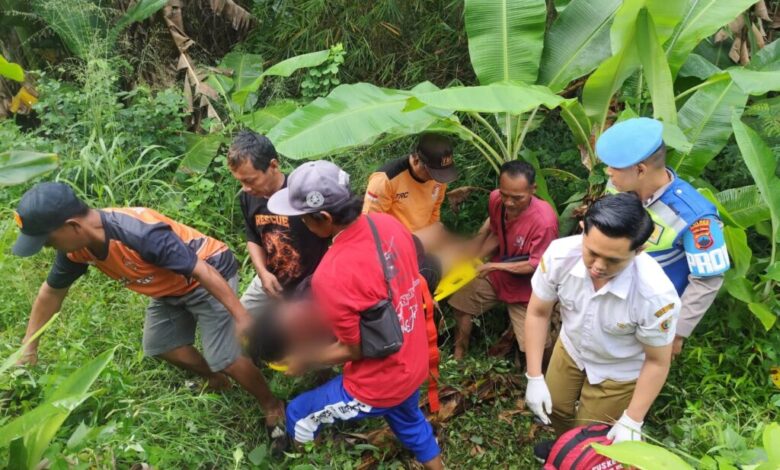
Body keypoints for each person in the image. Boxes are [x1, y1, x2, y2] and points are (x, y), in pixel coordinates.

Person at [11, 182, 286, 442]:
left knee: (224, 356)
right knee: (161, 345)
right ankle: (216, 381)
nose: (48, 248)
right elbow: (51, 293)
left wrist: (242, 318)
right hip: (168, 288)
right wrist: (29, 347)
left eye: (48, 241)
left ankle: (271, 404)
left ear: (72, 226)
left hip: (209, 273)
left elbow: (203, 272)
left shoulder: (138, 234)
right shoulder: (76, 248)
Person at [267, 160, 444, 469]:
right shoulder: (389, 225)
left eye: (303, 219)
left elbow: (355, 348)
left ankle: (305, 461)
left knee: (297, 413)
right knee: (409, 420)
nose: (301, 225)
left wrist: (305, 360)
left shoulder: (331, 274)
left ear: (322, 217)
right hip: (413, 364)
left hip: (377, 385)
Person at [524, 193, 681, 443]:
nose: (598, 266)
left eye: (613, 260)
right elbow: (538, 311)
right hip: (571, 348)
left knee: (590, 434)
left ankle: (580, 451)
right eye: (592, 252)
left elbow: (657, 362)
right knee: (556, 407)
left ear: (640, 250)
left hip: (618, 368)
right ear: (583, 230)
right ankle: (565, 450)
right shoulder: (559, 256)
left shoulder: (655, 296)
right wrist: (534, 376)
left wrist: (633, 418)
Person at [598, 117, 729, 358]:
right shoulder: (616, 186)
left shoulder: (696, 216)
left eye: (614, 167)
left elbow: (708, 280)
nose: (607, 171)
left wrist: (676, 334)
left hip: (651, 315)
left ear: (640, 170)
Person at [448, 161, 558, 361]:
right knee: (461, 303)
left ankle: (543, 378)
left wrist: (493, 265)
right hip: (497, 275)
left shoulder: (545, 222)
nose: (508, 202)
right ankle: (458, 356)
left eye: (517, 198)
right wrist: (476, 256)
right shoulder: (495, 199)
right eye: (504, 194)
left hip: (527, 288)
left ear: (533, 189)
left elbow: (536, 264)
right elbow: (497, 232)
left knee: (535, 345)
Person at [227, 130, 329, 315]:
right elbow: (253, 237)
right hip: (271, 279)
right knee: (239, 320)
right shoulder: (248, 196)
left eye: (250, 180)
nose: (246, 188)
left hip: (311, 283)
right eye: (241, 182)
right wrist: (263, 273)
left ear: (273, 165)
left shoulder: (302, 190)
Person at [363, 133, 457, 248]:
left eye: (441, 173)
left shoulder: (439, 177)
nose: (436, 178)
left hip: (423, 241)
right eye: (433, 173)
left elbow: (435, 210)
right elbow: (371, 225)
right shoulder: (385, 180)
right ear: (416, 160)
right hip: (394, 245)